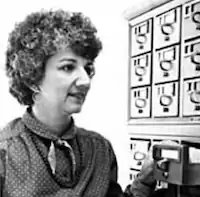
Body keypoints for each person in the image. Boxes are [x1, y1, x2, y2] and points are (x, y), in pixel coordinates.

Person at [0, 9, 156, 196]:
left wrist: (145, 180)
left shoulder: (100, 149)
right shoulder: (5, 153)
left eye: (87, 69)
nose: (85, 81)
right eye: (68, 67)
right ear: (33, 79)